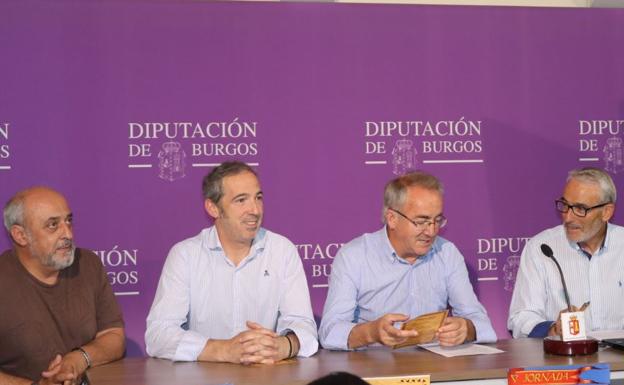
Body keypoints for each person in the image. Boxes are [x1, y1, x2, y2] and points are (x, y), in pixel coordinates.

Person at [145, 161, 318, 364]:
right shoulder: (185, 255)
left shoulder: (282, 250)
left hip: (266, 377)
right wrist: (223, 350)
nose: (254, 209)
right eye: (241, 200)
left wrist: (281, 346)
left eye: (258, 198)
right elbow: (158, 335)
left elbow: (304, 326)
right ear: (213, 208)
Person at [319, 171, 496, 350]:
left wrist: (466, 329)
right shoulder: (354, 256)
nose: (431, 231)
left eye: (437, 220)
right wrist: (371, 333)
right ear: (392, 219)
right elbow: (330, 331)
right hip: (373, 371)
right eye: (421, 221)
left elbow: (480, 322)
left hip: (435, 368)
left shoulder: (447, 253)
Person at [0, 187, 125, 385]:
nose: (67, 233)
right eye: (52, 225)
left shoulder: (88, 264)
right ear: (20, 235)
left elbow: (114, 336)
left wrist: (78, 359)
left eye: (68, 221)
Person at [508, 167, 624, 338]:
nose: (568, 217)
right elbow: (520, 318)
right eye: (565, 205)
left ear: (606, 212)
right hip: (565, 361)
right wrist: (553, 328)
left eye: (580, 208)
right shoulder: (541, 248)